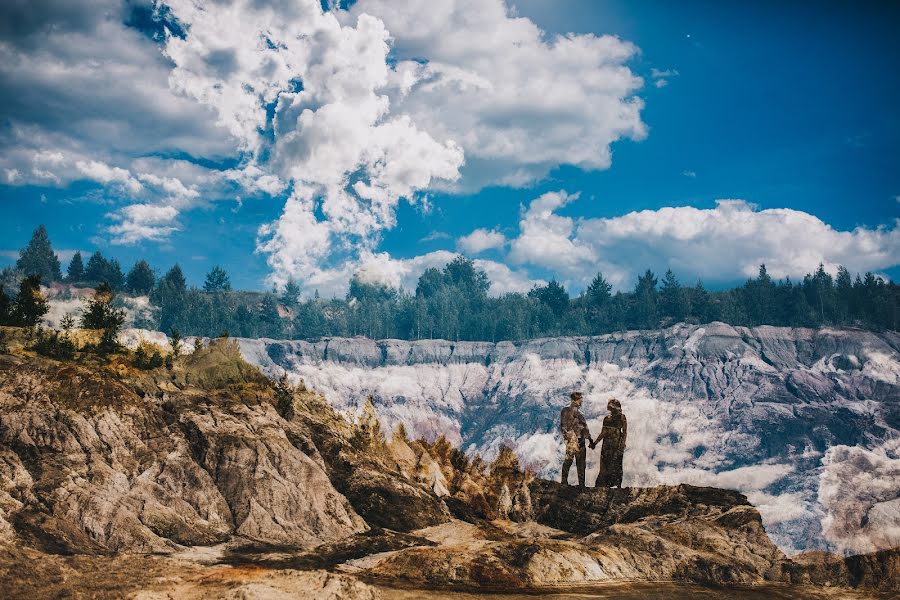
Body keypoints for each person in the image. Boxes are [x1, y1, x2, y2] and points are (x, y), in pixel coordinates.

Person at [592, 398, 627, 488]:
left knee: (617, 465)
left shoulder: (622, 417)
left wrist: (622, 443)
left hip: (617, 444)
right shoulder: (606, 419)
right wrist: (595, 443)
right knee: (605, 465)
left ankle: (618, 486)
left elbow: (625, 431)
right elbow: (603, 432)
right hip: (607, 445)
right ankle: (603, 485)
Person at [560, 391, 591, 487]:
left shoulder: (579, 415)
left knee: (579, 464)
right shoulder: (567, 411)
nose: (581, 402)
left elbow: (585, 430)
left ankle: (580, 484)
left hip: (578, 441)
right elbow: (563, 426)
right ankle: (565, 482)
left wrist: (590, 440)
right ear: (574, 400)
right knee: (570, 461)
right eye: (580, 400)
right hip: (573, 441)